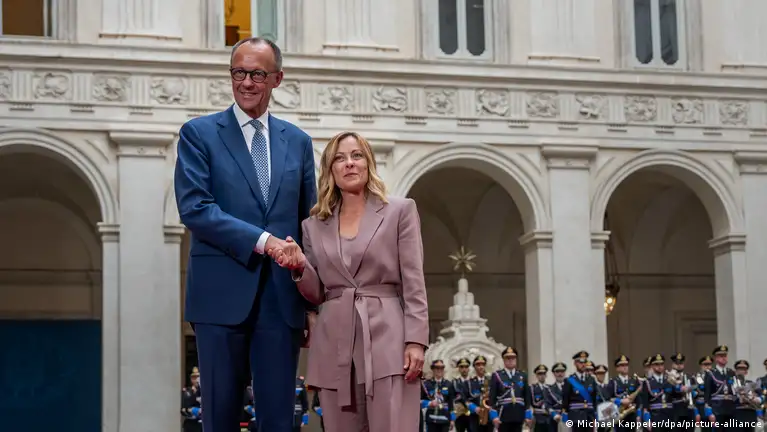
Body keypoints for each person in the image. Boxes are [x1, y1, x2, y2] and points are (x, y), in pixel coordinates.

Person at [174, 36, 317, 432]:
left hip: (281, 302)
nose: (247, 82)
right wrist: (264, 242)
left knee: (279, 420)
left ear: (277, 79)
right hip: (219, 299)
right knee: (219, 417)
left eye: (257, 74)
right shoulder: (199, 134)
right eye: (239, 73)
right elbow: (195, 208)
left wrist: (312, 302)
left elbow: (307, 225)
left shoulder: (299, 142)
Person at [267, 131, 429, 431]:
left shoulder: (400, 210)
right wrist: (299, 265)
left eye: (356, 156)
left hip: (388, 338)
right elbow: (317, 293)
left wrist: (416, 341)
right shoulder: (313, 225)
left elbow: (414, 282)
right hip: (335, 342)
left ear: (368, 163)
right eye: (340, 159)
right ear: (330, 170)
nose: (349, 163)